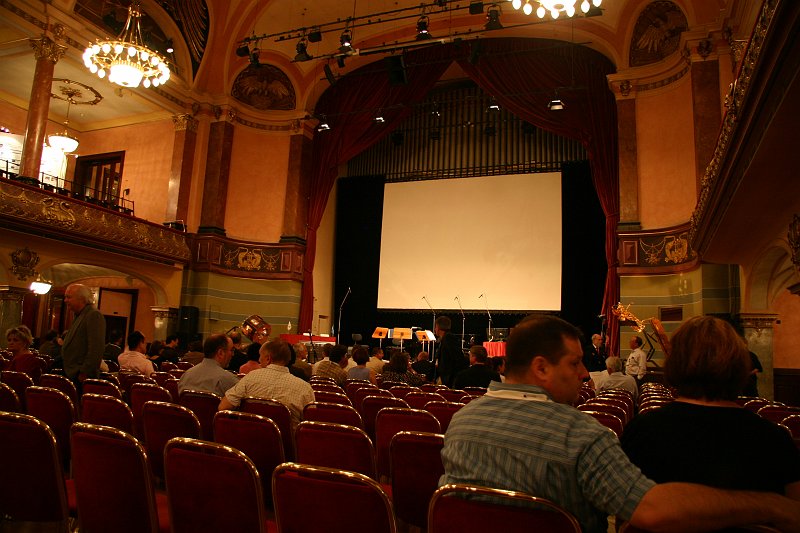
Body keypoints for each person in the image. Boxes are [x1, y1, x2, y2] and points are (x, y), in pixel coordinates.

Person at [440, 315, 800, 533]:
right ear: (541, 368)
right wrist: (769, 505)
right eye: (575, 363)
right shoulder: (581, 434)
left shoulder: (459, 421)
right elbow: (652, 511)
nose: (585, 374)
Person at [621, 316, 800, 497]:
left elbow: (627, 507)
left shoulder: (641, 430)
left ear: (675, 362)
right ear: (739, 364)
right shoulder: (774, 438)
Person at [219, 339, 315, 429]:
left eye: (260, 356)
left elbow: (223, 407)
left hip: (249, 437)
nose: (259, 360)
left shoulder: (250, 378)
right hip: (287, 441)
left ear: (268, 359)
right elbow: (310, 424)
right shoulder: (305, 388)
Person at [61, 283, 106, 391]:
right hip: (72, 373)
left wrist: (85, 372)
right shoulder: (79, 315)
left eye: (69, 297)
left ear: (82, 299)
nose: (65, 300)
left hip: (81, 377)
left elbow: (96, 349)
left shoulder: (93, 315)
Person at [434, 316, 467, 387]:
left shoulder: (449, 338)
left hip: (449, 379)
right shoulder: (445, 338)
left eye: (435, 327)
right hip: (446, 378)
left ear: (438, 327)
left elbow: (457, 358)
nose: (435, 329)